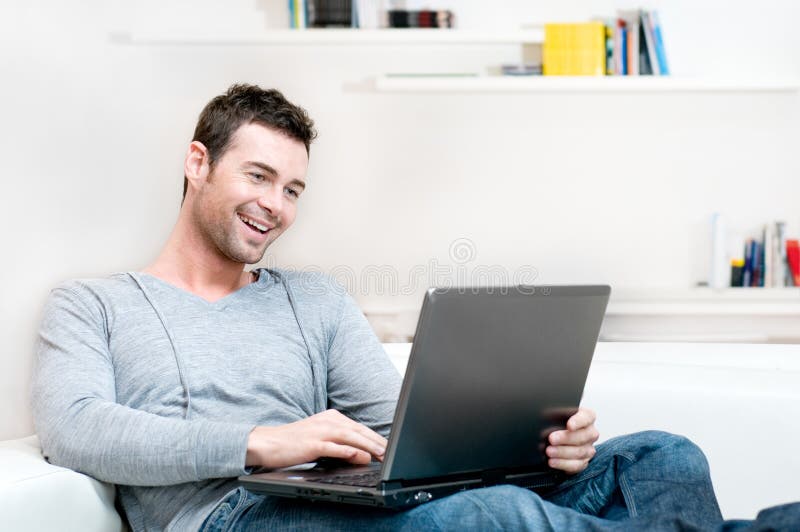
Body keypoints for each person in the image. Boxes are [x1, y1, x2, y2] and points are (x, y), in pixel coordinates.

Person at [32, 84, 724, 531]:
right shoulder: (94, 305)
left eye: (294, 189)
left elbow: (401, 431)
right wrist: (262, 442)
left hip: (343, 502)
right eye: (259, 176)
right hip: (234, 514)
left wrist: (538, 444)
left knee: (665, 458)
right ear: (197, 164)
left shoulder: (315, 299)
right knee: (496, 516)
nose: (276, 204)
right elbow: (77, 430)